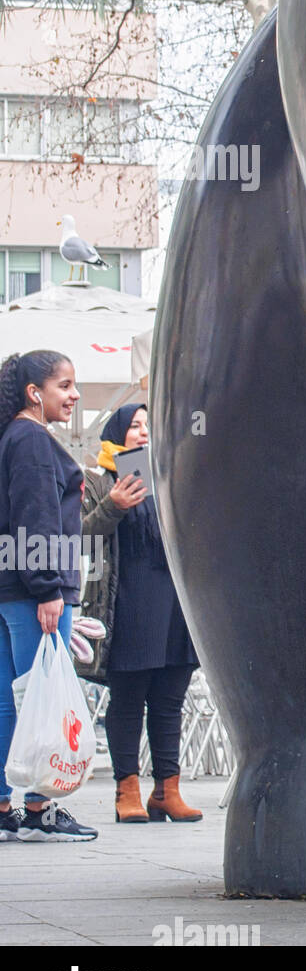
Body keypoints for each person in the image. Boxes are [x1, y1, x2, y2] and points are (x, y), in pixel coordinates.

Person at [82, 403, 201, 824]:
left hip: (175, 602)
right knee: (129, 700)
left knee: (170, 699)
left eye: (148, 426)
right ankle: (126, 789)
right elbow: (81, 538)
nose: (143, 433)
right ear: (116, 431)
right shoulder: (98, 479)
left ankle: (167, 790)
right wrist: (113, 505)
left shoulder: (167, 472)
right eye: (134, 426)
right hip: (128, 603)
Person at [0, 350, 97, 841]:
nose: (74, 395)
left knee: (6, 699)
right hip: (32, 589)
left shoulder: (10, 438)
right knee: (41, 697)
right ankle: (39, 808)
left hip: (7, 587)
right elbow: (36, 517)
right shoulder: (34, 440)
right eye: (65, 385)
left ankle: (3, 809)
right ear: (34, 393)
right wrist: (48, 588)